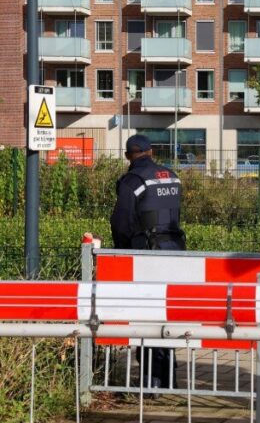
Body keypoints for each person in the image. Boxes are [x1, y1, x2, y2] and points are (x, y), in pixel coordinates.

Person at [110, 134, 186, 391]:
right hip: (175, 252)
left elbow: (121, 221)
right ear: (151, 151)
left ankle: (150, 381)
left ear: (127, 155)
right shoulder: (171, 176)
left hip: (146, 255)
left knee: (146, 317)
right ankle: (169, 379)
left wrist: (121, 253)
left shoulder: (132, 181)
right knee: (167, 315)